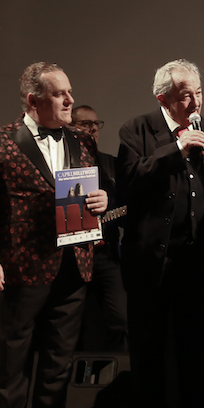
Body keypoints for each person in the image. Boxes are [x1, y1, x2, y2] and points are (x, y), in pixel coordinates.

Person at [0, 62, 107, 408]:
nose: (70, 100)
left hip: (73, 262)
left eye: (70, 92)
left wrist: (102, 200)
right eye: (60, 94)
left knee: (59, 360)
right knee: (10, 360)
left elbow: (90, 191)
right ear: (33, 100)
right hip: (20, 267)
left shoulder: (81, 140)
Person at [117, 59, 204, 408]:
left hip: (199, 262)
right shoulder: (137, 130)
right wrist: (175, 149)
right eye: (186, 95)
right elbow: (129, 182)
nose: (195, 102)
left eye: (199, 92)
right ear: (163, 97)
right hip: (152, 263)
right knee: (149, 352)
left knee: (199, 352)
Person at [72, 104, 128, 353]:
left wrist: (112, 210)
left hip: (106, 255)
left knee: (120, 319)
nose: (93, 129)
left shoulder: (112, 164)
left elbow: (128, 207)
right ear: (69, 127)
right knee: (73, 323)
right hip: (71, 257)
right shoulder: (60, 163)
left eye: (96, 124)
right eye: (85, 124)